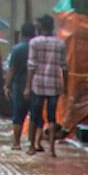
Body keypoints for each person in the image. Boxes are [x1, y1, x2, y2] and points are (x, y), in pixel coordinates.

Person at [25, 16, 67, 157]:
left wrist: (27, 86)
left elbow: (31, 65)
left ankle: (31, 146)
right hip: (54, 84)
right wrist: (64, 85)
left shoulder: (34, 43)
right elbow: (64, 67)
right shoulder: (60, 44)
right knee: (52, 117)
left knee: (34, 115)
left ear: (40, 27)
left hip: (38, 84)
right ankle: (52, 150)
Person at [6, 21, 34, 149]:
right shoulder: (36, 48)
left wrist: (6, 85)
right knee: (35, 115)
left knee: (18, 114)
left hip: (19, 85)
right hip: (35, 85)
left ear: (22, 33)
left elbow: (11, 69)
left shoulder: (16, 49)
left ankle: (16, 143)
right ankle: (33, 144)